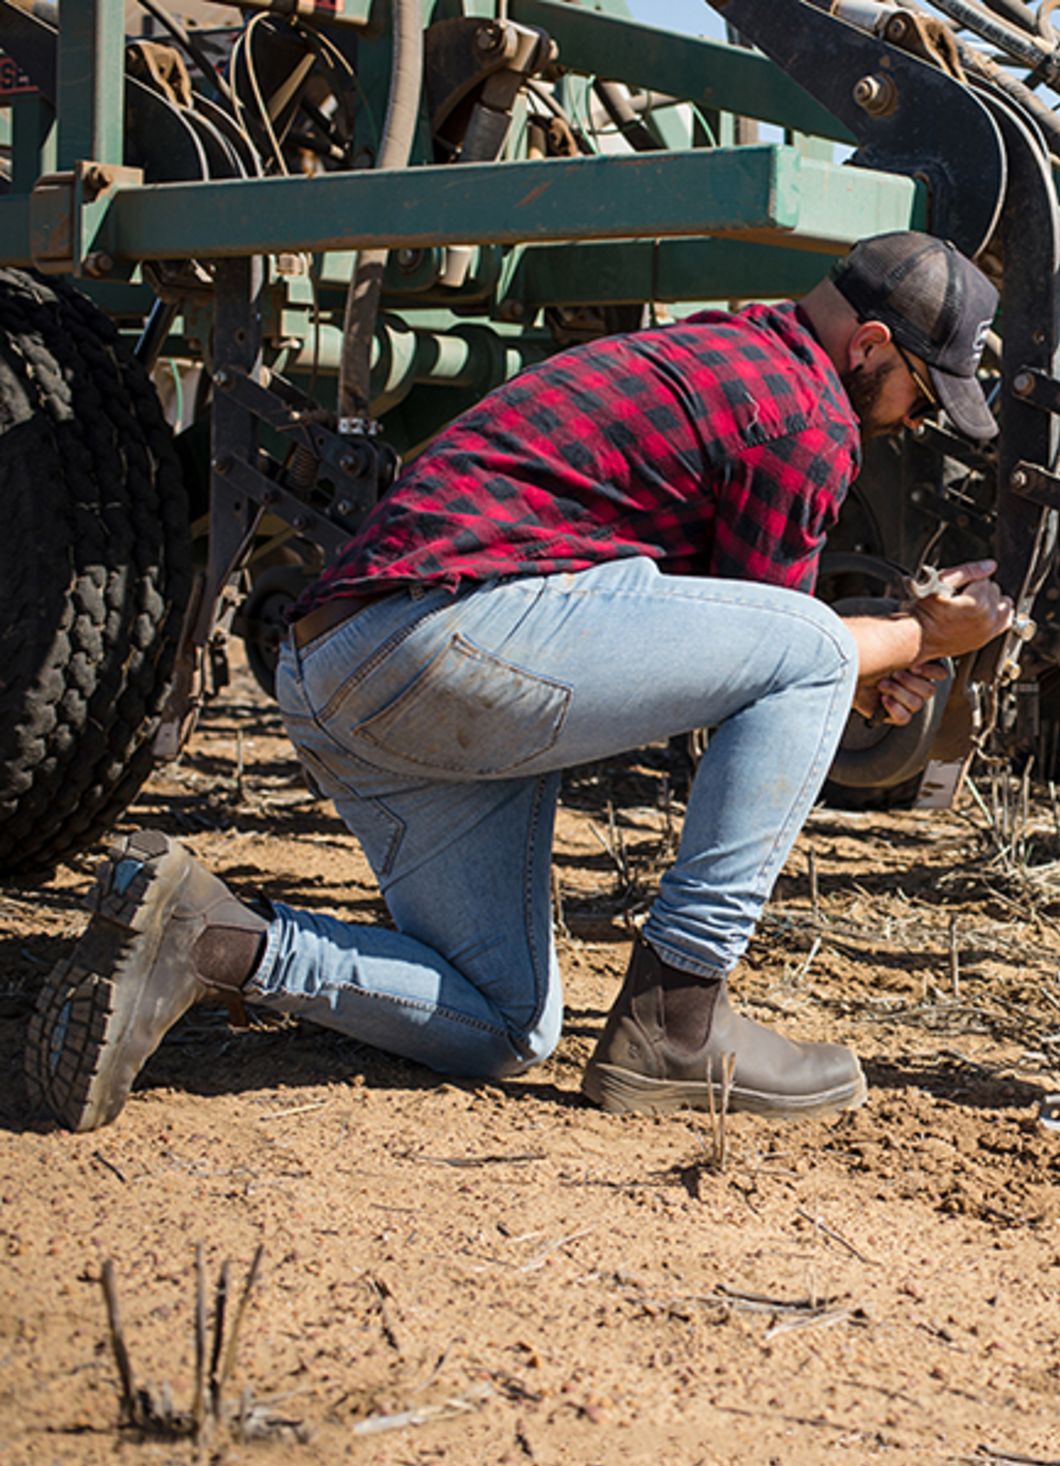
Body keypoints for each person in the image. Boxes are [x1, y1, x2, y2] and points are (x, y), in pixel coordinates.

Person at [26, 231, 1012, 1133]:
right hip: (443, 645)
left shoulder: (732, 357)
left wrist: (869, 659)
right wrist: (919, 629)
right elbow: (787, 640)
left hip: (343, 667)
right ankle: (679, 1010)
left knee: (506, 1025)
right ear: (868, 345)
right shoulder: (804, 415)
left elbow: (744, 650)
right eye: (921, 394)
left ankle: (210, 938)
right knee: (816, 645)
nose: (916, 418)